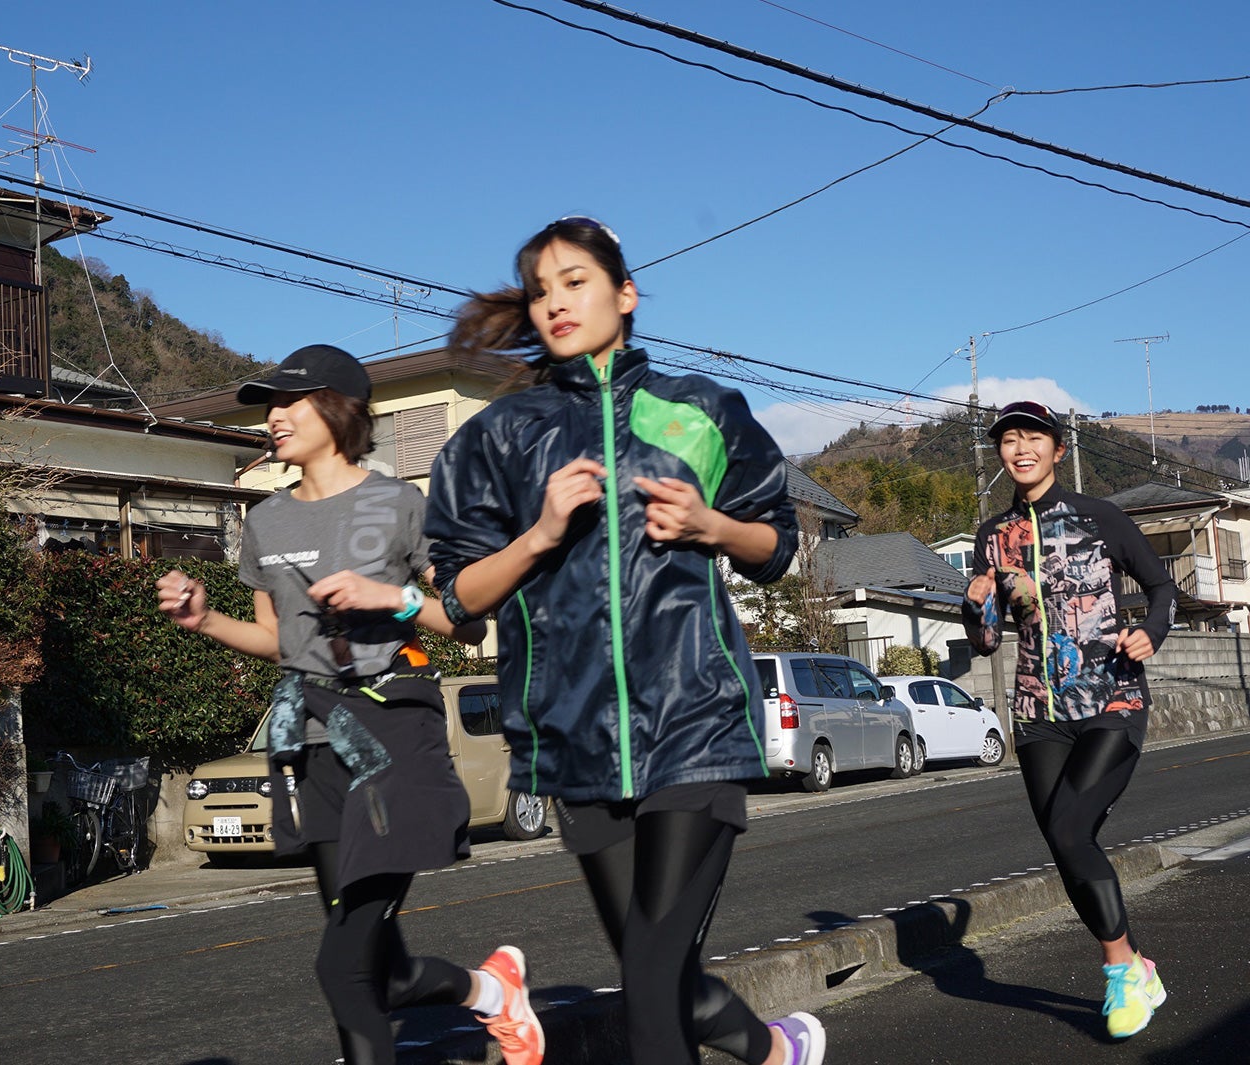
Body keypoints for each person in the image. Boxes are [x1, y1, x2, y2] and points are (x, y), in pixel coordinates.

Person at [423, 217, 824, 1065]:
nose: (555, 302)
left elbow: (779, 548)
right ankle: (777, 1050)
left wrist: (712, 523)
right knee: (660, 974)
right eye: (539, 290)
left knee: (647, 977)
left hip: (697, 723)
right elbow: (458, 598)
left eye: (575, 281)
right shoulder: (499, 436)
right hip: (574, 739)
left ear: (626, 293)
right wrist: (537, 534)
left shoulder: (703, 409)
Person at [154, 344, 544, 1065]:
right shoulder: (266, 522)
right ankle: (491, 992)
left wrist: (390, 597)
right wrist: (204, 620)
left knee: (341, 966)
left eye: (287, 402)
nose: (272, 418)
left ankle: (487, 996)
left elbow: (466, 620)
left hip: (392, 735)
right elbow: (277, 640)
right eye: (268, 405)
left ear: (337, 407)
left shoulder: (399, 504)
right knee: (378, 969)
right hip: (313, 743)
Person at [961, 400, 1178, 1040]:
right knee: (1067, 843)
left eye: (1033, 438)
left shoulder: (1100, 517)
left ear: (1058, 449)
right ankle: (1139, 964)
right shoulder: (990, 538)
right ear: (999, 454)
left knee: (1068, 825)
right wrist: (974, 606)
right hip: (1036, 713)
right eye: (1008, 440)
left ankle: (1120, 970)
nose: (1020, 448)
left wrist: (1152, 632)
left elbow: (1162, 587)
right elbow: (985, 644)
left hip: (1111, 699)